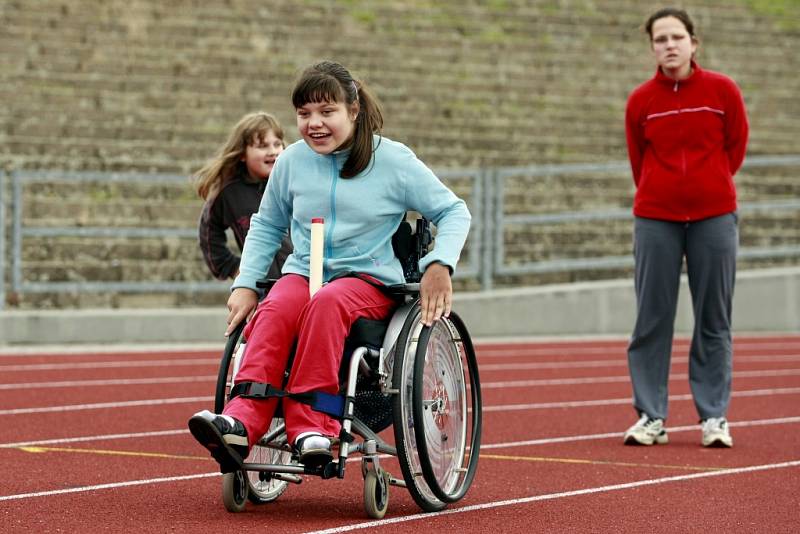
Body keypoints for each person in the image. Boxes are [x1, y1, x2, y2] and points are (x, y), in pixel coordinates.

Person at [188, 61, 471, 470]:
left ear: (353, 111)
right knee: (278, 305)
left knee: (329, 302)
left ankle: (313, 424)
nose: (313, 124)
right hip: (305, 271)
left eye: (326, 112)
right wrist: (245, 282)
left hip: (369, 282)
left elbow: (454, 210)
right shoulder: (292, 162)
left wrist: (439, 264)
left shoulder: (393, 161)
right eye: (304, 114)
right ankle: (242, 420)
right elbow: (267, 224)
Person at [623, 8, 748, 448]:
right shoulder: (641, 101)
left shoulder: (722, 91)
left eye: (677, 37)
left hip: (714, 218)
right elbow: (639, 161)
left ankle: (713, 416)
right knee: (651, 320)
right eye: (660, 39)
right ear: (652, 47)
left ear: (694, 43)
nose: (669, 45)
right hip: (656, 219)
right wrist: (664, 194)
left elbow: (735, 148)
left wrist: (707, 188)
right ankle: (651, 416)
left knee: (714, 320)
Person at [195, 111, 293, 281]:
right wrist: (231, 267)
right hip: (260, 289)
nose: (273, 152)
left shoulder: (293, 182)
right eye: (263, 146)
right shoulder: (229, 193)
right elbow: (208, 231)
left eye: (277, 144)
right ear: (242, 153)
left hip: (302, 281)